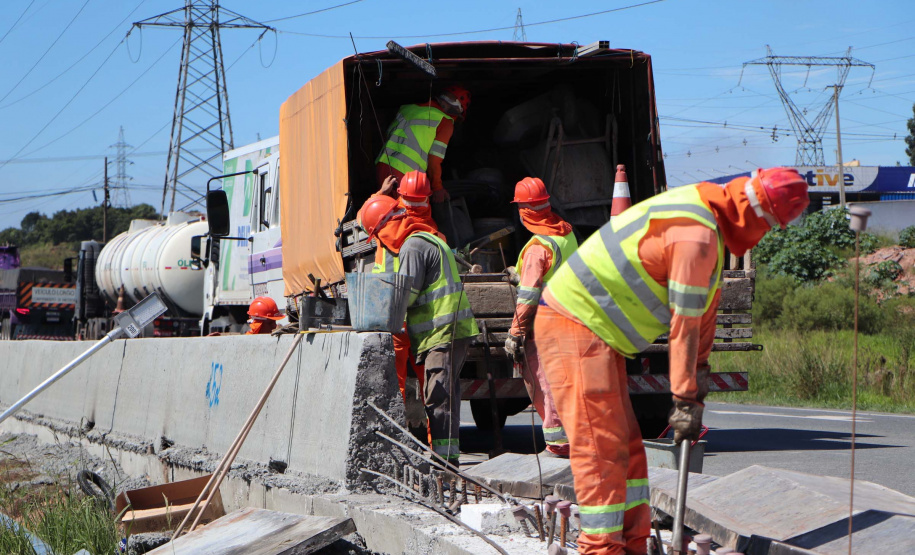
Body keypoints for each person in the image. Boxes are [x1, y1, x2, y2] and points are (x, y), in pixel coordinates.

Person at [534, 168, 809, 554]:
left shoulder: (707, 219)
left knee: (627, 448)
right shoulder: (695, 234)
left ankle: (631, 544)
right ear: (757, 216)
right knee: (601, 449)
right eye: (769, 227)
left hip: (597, 332)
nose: (762, 237)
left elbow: (703, 318)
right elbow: (684, 327)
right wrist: (682, 399)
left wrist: (695, 394)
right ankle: (600, 548)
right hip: (574, 323)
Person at [358, 195, 479, 465]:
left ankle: (444, 463)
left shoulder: (412, 246)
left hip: (442, 331)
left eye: (378, 234)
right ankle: (447, 458)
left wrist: (379, 314)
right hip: (448, 330)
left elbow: (407, 295)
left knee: (439, 396)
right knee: (446, 395)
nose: (381, 241)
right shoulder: (427, 237)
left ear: (387, 225)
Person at [503, 177, 578, 457]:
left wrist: (515, 334)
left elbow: (528, 297)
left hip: (546, 328)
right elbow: (554, 276)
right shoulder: (565, 234)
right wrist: (522, 275)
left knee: (547, 386)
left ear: (525, 212)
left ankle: (558, 446)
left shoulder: (537, 248)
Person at [375, 85, 471, 204]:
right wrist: (437, 188)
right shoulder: (445, 121)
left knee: (385, 211)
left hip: (383, 166)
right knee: (409, 217)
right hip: (405, 174)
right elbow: (434, 160)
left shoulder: (408, 109)